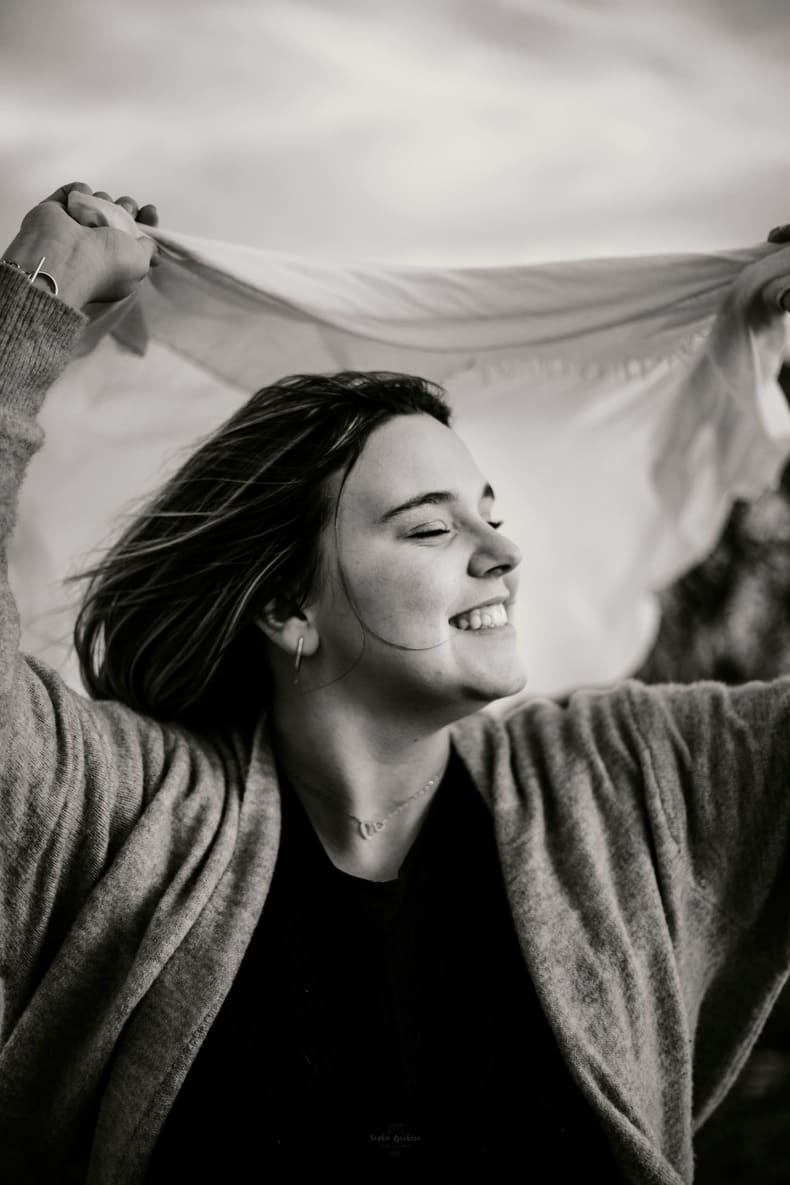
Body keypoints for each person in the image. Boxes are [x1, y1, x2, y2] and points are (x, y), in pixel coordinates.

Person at [2, 183, 790, 1185]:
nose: (499, 551)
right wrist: (32, 304)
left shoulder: (627, 783)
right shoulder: (125, 816)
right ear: (289, 606)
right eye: (428, 526)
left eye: (488, 512)